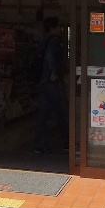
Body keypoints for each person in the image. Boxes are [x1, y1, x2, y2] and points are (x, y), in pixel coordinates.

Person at [33, 16, 67, 154]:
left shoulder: (44, 40)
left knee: (43, 114)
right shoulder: (54, 41)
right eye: (58, 27)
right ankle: (67, 143)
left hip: (43, 82)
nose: (60, 29)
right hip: (52, 82)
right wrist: (54, 72)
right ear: (53, 28)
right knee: (63, 112)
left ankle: (39, 144)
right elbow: (49, 56)